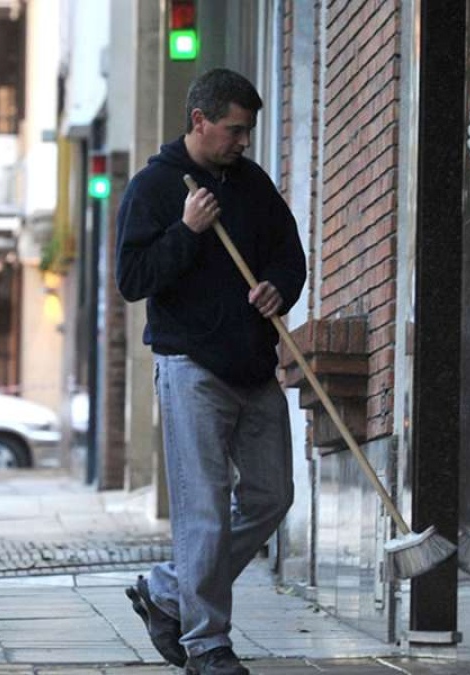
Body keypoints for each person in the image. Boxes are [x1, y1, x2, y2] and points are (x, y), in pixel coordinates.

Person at [115, 68, 306, 675]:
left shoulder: (252, 185)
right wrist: (188, 231)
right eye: (234, 129)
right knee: (203, 507)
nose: (243, 141)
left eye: (247, 130)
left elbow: (288, 253)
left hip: (254, 365)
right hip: (190, 365)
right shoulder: (154, 187)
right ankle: (206, 644)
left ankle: (168, 589)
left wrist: (281, 289)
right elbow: (134, 279)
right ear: (199, 121)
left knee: (272, 496)